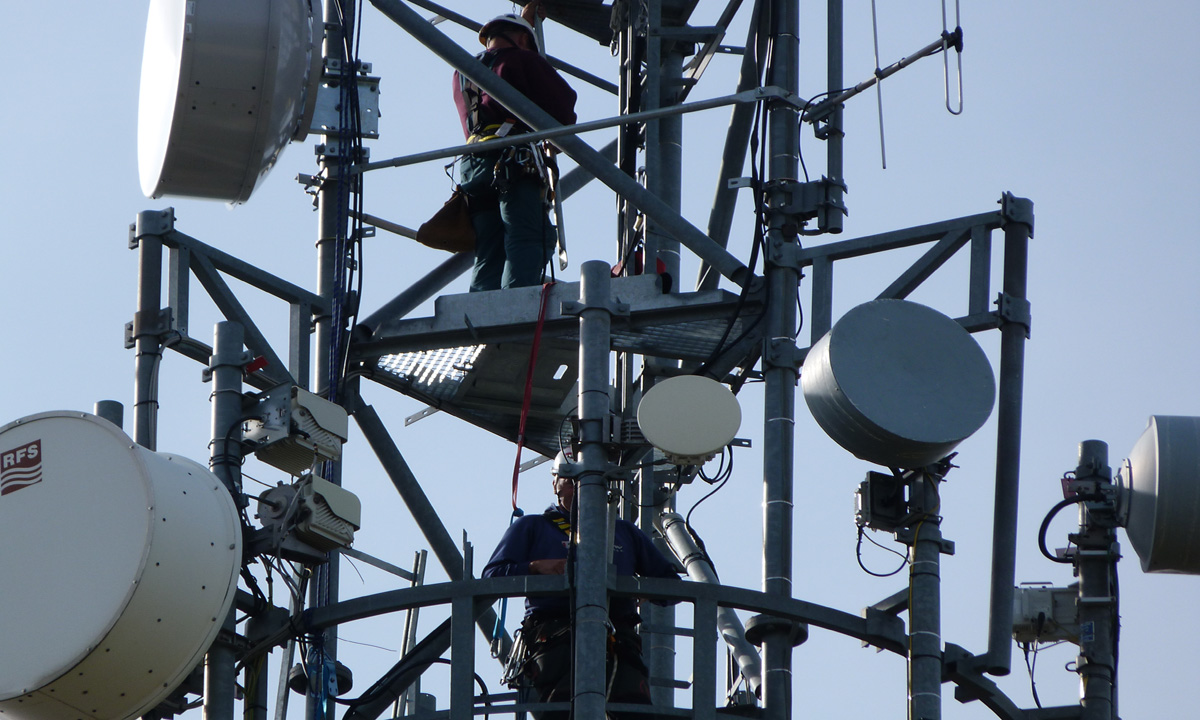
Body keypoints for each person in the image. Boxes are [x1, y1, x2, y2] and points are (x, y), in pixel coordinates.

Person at [482, 451, 679, 720]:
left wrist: (640, 590)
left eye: (592, 480)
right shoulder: (534, 527)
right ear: (556, 484)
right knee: (560, 713)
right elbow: (493, 577)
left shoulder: (623, 532)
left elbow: (670, 586)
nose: (581, 486)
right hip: (552, 637)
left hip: (617, 641)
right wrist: (535, 566)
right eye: (571, 479)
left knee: (636, 713)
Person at [452, 1, 577, 292]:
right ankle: (517, 309)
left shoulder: (463, 74)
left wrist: (527, 24)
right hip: (512, 159)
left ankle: (481, 314)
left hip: (474, 165)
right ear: (522, 41)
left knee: (490, 246)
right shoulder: (524, 60)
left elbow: (500, 82)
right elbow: (563, 107)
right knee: (528, 237)